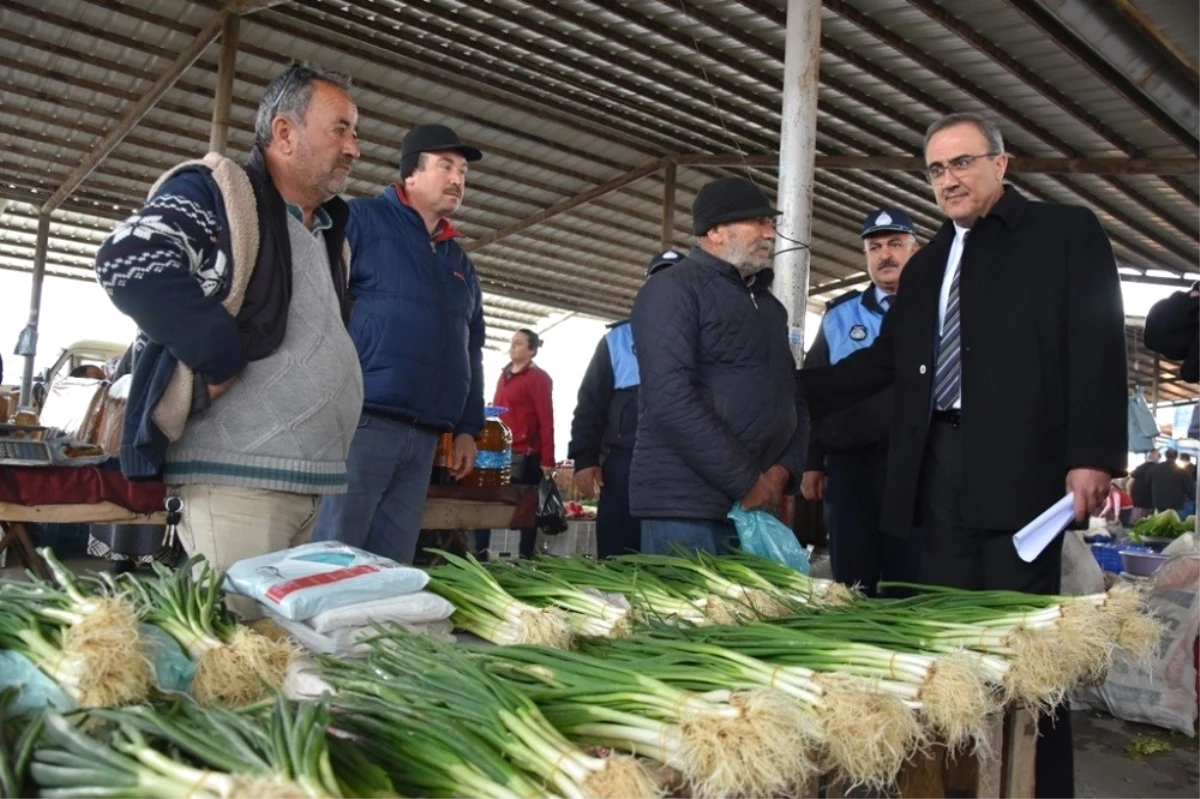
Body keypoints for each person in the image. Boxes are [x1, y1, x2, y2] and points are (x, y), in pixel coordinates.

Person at [798, 112, 1127, 799]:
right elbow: (885, 361)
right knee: (953, 642)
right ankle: (964, 784)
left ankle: (1039, 786)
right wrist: (789, 385)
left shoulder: (1064, 233)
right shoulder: (927, 266)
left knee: (1025, 646)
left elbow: (1097, 345)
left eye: (963, 163)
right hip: (935, 474)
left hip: (1024, 470)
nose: (950, 179)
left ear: (1001, 165)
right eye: (937, 169)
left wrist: (1092, 454)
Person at [93, 63, 364, 604]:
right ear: (284, 133)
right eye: (341, 129)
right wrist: (219, 355)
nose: (354, 148)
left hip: (310, 487)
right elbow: (129, 258)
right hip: (237, 484)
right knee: (233, 659)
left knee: (275, 653)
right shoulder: (221, 195)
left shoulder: (331, 234)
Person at [313, 124, 486, 564]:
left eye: (463, 172)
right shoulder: (361, 220)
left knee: (391, 563)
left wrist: (467, 427)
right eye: (446, 166)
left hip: (425, 435)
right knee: (336, 552)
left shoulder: (458, 260)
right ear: (411, 173)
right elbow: (317, 306)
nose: (457, 180)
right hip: (363, 421)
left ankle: (377, 634)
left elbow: (472, 346)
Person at [630, 176, 807, 555]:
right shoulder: (672, 290)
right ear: (715, 230)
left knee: (749, 615)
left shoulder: (769, 308)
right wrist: (747, 480)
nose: (770, 233)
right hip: (687, 506)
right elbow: (670, 399)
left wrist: (782, 471)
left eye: (770, 223)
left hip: (756, 500)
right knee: (688, 614)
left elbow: (794, 395)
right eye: (758, 222)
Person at [800, 208, 921, 596]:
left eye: (895, 245)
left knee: (911, 574)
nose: (885, 255)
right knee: (852, 577)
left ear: (914, 251)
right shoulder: (839, 316)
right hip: (849, 469)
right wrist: (811, 463)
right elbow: (817, 392)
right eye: (875, 247)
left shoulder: (939, 310)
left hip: (916, 466)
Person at [569, 250, 683, 558]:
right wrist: (585, 459)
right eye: (657, 281)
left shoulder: (706, 337)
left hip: (683, 466)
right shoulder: (616, 340)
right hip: (624, 464)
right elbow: (589, 404)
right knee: (619, 552)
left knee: (671, 556)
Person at [490, 329, 555, 558]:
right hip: (499, 450)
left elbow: (546, 420)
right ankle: (481, 552)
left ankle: (525, 557)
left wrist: (548, 459)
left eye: (519, 343)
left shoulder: (538, 378)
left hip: (526, 453)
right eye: (512, 342)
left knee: (526, 507)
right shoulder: (504, 375)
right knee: (491, 498)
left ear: (532, 350)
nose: (513, 347)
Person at [1149, 448, 1192, 513]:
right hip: (1175, 504)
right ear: (1176, 457)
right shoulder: (1181, 471)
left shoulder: (1155, 468)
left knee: (1160, 521)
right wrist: (1192, 497)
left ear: (1166, 456)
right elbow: (1189, 487)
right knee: (1174, 521)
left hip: (1159, 502)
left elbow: (1148, 482)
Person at [1129, 449, 1161, 522]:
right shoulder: (1156, 468)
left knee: (1137, 522)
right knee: (1146, 522)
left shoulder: (1140, 467)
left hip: (1136, 499)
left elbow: (1130, 483)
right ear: (1157, 457)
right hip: (1148, 500)